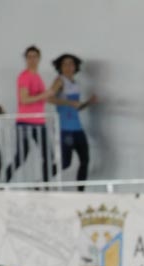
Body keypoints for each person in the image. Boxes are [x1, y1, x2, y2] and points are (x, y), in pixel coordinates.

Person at [5, 45, 55, 183]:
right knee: (21, 156)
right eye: (29, 57)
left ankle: (45, 185)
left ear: (39, 58)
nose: (32, 59)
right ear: (25, 59)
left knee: (48, 156)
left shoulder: (37, 76)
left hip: (39, 122)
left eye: (35, 56)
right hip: (25, 122)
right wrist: (44, 94)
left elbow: (43, 97)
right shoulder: (24, 76)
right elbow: (24, 99)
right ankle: (2, 182)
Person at [50, 53, 97, 191]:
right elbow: (49, 98)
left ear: (75, 66)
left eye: (71, 64)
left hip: (77, 128)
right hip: (65, 129)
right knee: (65, 163)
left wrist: (88, 102)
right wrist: (68, 102)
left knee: (85, 160)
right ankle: (42, 181)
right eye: (65, 64)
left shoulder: (75, 83)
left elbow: (77, 106)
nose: (68, 67)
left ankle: (80, 191)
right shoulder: (59, 81)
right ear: (60, 67)